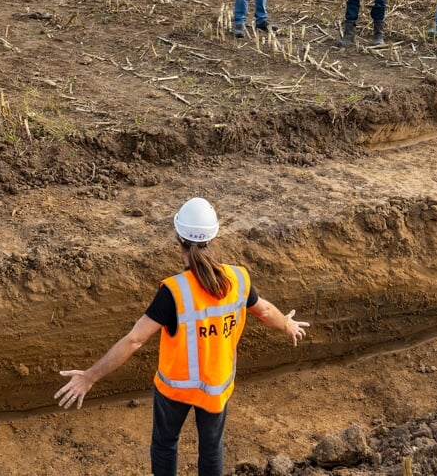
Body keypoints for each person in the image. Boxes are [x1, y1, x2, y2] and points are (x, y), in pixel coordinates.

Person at [54, 197, 309, 476]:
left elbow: (134, 340)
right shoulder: (239, 280)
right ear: (214, 237)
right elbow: (265, 310)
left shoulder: (174, 292)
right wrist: (287, 325)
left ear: (179, 238)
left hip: (174, 390)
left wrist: (90, 377)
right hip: (215, 389)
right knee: (212, 448)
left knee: (165, 444)